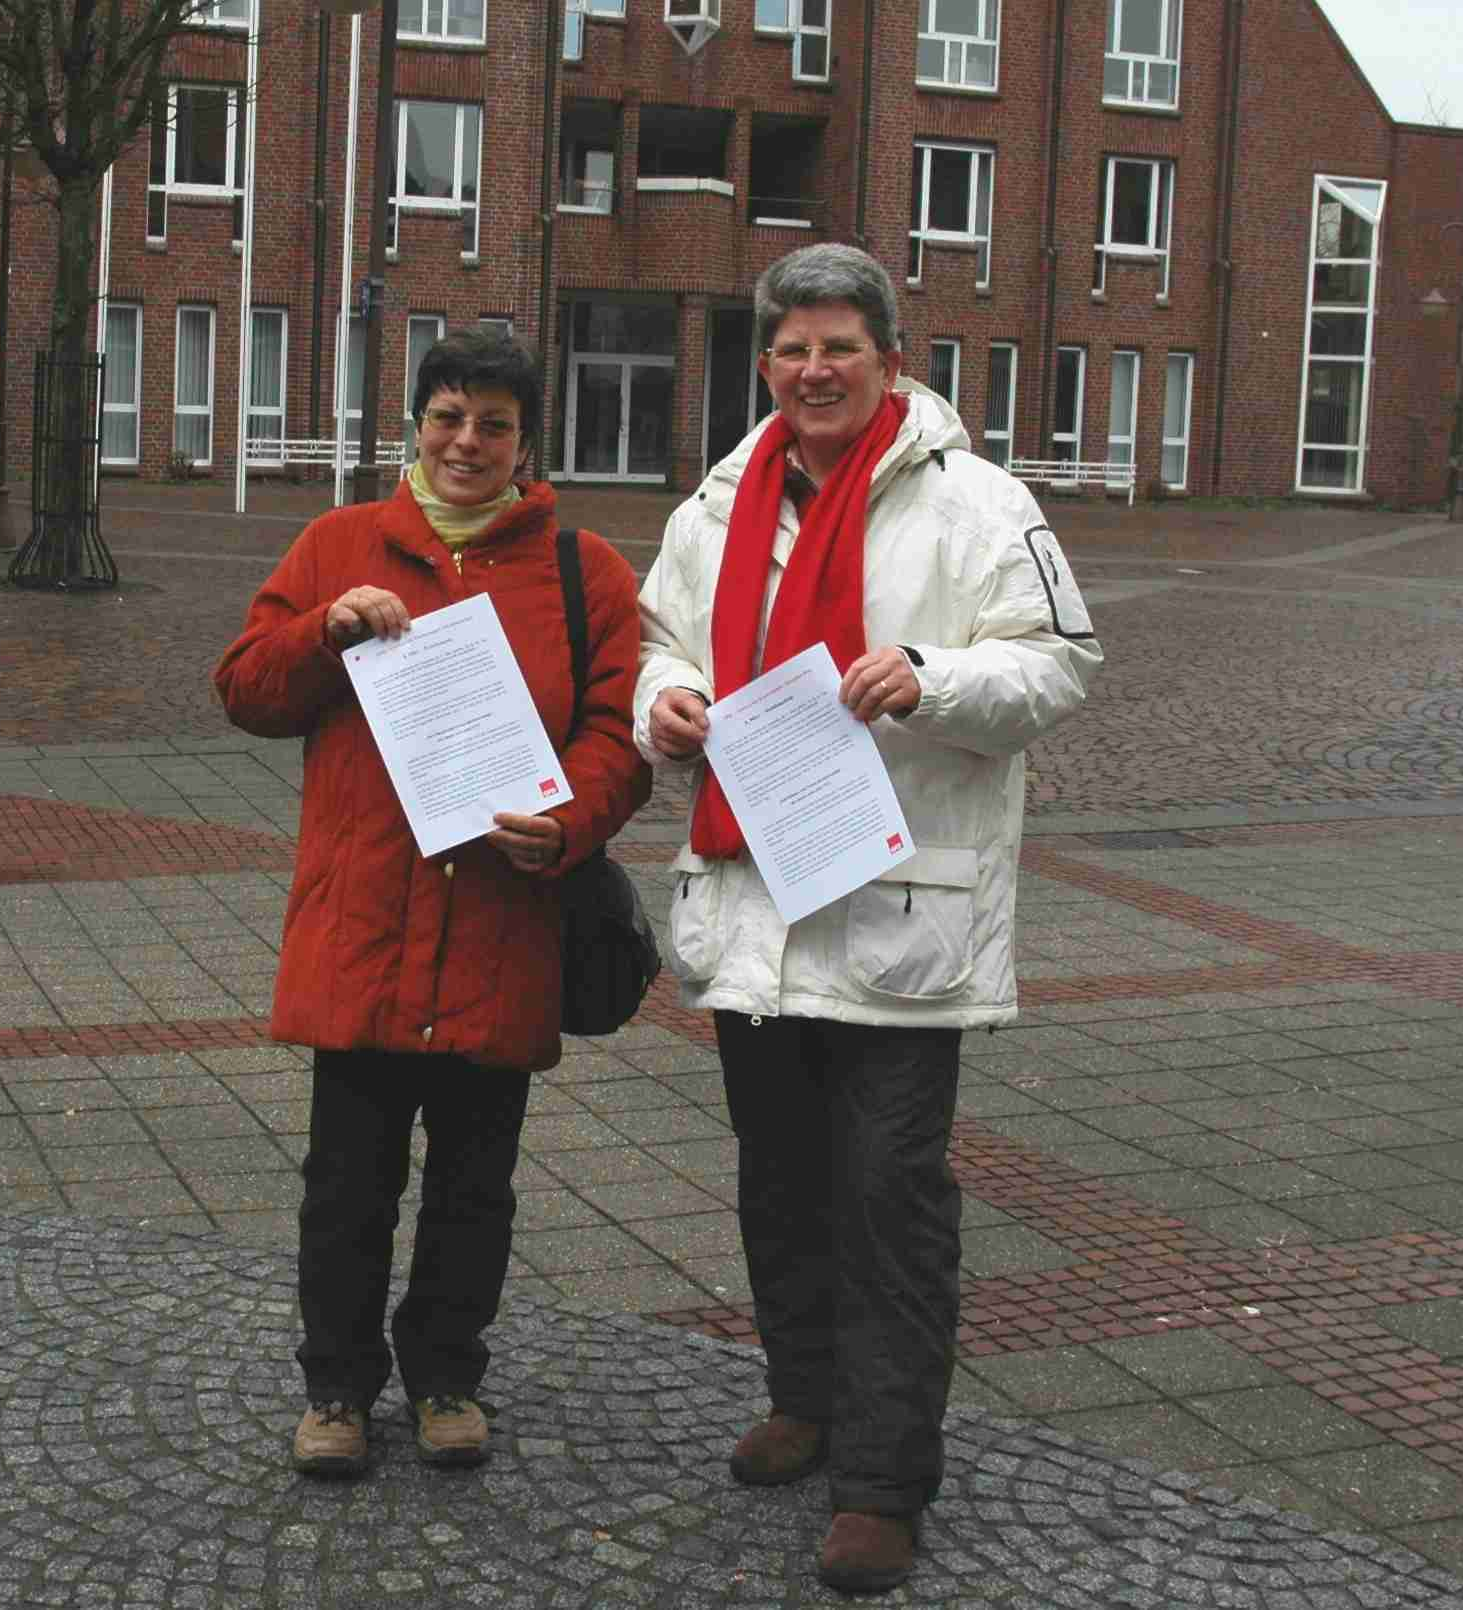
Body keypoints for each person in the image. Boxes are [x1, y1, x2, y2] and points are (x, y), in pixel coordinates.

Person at [633, 244, 1101, 1594]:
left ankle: (886, 1478)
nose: (813, 369)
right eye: (790, 348)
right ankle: (808, 1396)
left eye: (839, 346)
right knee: (779, 1180)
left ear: (892, 359)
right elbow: (665, 642)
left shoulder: (977, 504)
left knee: (889, 1196)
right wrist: (659, 701)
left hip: (900, 917)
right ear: (764, 360)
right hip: (756, 908)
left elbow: (1062, 661)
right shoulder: (719, 502)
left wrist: (933, 675)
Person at [214, 328, 649, 1480]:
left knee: (475, 1184)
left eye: (494, 424)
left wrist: (569, 822)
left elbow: (618, 731)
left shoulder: (582, 568)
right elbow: (245, 691)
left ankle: (447, 1369)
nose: (467, 442)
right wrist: (324, 630)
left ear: (524, 442)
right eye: (449, 416)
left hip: (502, 927)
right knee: (344, 1185)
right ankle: (338, 1389)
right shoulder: (337, 543)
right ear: (416, 422)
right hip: (365, 923)